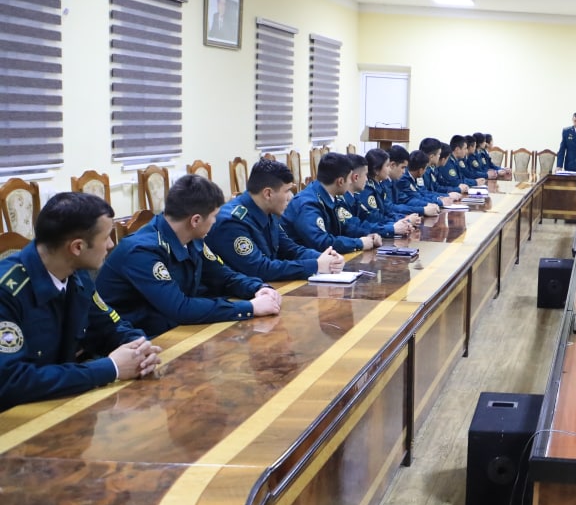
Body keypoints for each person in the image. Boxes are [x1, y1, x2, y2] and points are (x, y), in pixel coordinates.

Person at [0, 192, 162, 410]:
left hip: (59, 404)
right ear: (77, 247)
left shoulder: (77, 275)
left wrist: (139, 349)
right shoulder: (6, 291)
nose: (111, 244)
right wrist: (110, 368)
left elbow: (108, 327)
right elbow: (11, 381)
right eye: (106, 237)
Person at [97, 175, 281, 338]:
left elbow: (224, 277)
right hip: (139, 340)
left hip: (176, 331)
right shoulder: (142, 251)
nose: (216, 221)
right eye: (214, 216)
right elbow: (179, 308)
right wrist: (250, 308)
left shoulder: (192, 238)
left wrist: (258, 288)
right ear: (196, 220)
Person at [206, 159, 346, 282]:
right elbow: (259, 269)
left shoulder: (268, 211)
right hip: (237, 296)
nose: (290, 197)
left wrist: (326, 258)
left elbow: (290, 249)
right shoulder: (232, 222)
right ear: (268, 194)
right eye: (286, 191)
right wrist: (315, 265)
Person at [282, 152, 381, 254]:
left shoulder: (329, 195)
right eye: (349, 178)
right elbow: (321, 242)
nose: (351, 182)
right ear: (340, 181)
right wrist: (358, 243)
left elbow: (346, 226)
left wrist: (367, 236)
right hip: (304, 260)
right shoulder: (308, 204)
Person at [342, 152, 417, 239]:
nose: (366, 179)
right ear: (376, 170)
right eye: (387, 166)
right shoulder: (366, 191)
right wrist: (394, 226)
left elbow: (383, 212)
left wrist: (401, 222)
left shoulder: (377, 187)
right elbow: (370, 219)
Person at [391, 146, 445, 212]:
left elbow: (422, 192)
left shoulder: (413, 177)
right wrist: (424, 208)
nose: (404, 172)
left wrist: (438, 199)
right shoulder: (403, 179)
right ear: (420, 170)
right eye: (403, 167)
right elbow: (408, 200)